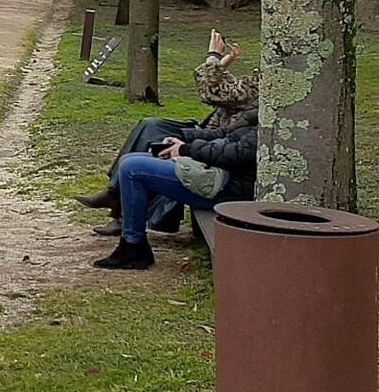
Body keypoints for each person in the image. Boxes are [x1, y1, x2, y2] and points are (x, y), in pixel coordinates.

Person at [77, 29, 260, 235]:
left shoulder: (267, 85)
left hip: (216, 147)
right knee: (149, 126)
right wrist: (224, 63)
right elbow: (230, 93)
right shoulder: (265, 83)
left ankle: (121, 209)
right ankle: (115, 197)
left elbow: (216, 92)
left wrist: (214, 56)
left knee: (150, 139)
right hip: (211, 135)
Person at [94, 107, 259, 270]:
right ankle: (133, 242)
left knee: (132, 168)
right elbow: (223, 133)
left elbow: (238, 154)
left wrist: (185, 149)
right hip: (217, 173)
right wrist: (182, 138)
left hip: (228, 188)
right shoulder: (258, 113)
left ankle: (133, 246)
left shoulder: (267, 124)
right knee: (130, 160)